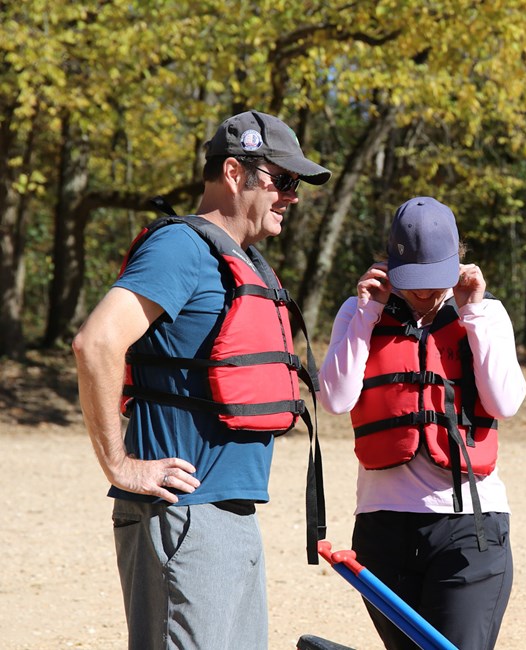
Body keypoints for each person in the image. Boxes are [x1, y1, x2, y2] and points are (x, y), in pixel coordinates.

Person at [72, 110, 331, 650]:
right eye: (283, 180)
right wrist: (120, 466)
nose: (293, 196)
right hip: (184, 517)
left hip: (230, 514)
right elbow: (96, 343)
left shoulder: (244, 260)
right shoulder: (181, 248)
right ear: (234, 172)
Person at [318, 196, 526, 650]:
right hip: (382, 529)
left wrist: (471, 314)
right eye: (412, 282)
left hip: (471, 530)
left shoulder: (487, 313)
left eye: (435, 282)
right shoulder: (359, 313)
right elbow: (334, 399)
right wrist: (365, 315)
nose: (425, 294)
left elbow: (505, 402)